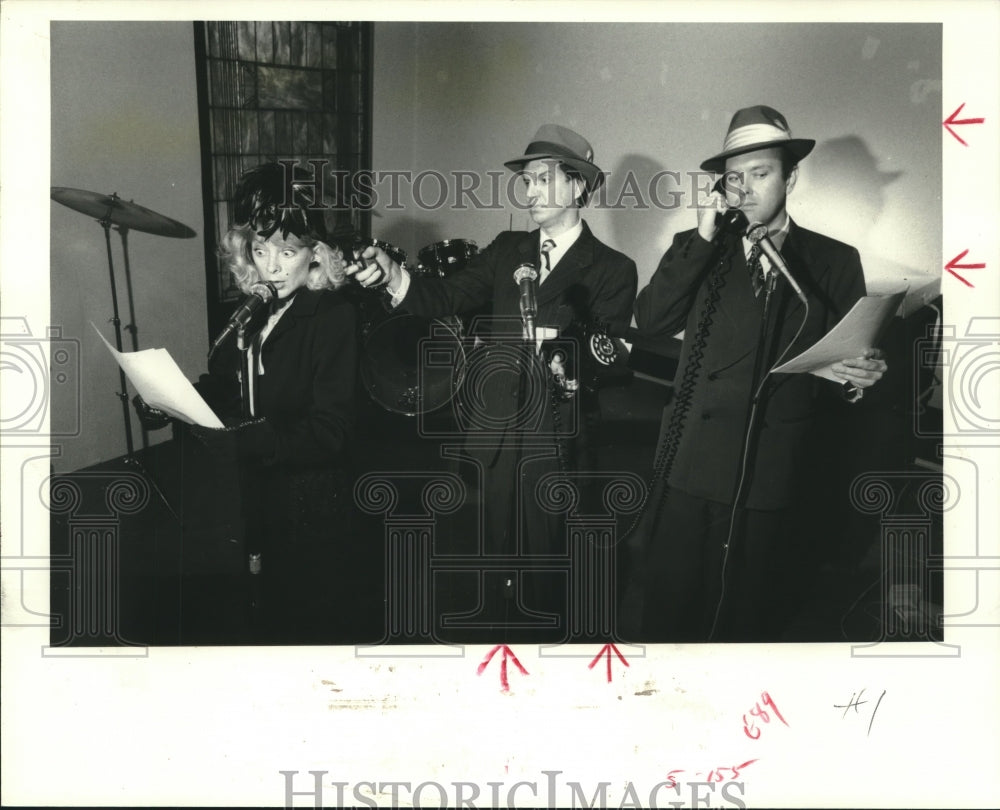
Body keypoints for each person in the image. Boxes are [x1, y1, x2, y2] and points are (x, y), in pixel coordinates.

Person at [348, 124, 638, 639]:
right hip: (497, 430)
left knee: (549, 561)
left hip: (556, 440)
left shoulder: (613, 268)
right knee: (496, 554)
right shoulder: (508, 250)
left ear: (577, 187)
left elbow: (609, 356)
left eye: (543, 180)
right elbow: (445, 296)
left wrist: (566, 366)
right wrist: (394, 276)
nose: (529, 192)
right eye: (526, 181)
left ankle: (551, 650)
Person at [624, 105, 888, 643]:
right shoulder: (697, 249)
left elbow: (843, 365)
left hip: (771, 470)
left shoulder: (835, 261)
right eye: (734, 178)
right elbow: (650, 320)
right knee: (669, 608)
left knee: (744, 617)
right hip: (691, 463)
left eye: (760, 174)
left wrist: (858, 377)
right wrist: (701, 238)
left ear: (790, 176)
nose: (744, 189)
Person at [136, 162, 359, 643]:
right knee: (260, 603)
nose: (272, 267)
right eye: (260, 251)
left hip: (311, 502)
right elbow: (225, 383)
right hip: (254, 492)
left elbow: (332, 430)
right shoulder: (257, 308)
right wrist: (169, 400)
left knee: (308, 616)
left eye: (287, 251)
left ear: (315, 253)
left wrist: (252, 440)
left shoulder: (333, 316)